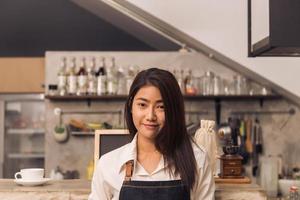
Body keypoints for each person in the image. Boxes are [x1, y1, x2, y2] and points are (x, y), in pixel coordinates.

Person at [89, 68, 215, 200]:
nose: (150, 116)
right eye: (142, 105)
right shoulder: (108, 164)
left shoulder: (197, 159)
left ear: (174, 110)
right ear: (131, 105)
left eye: (161, 107)